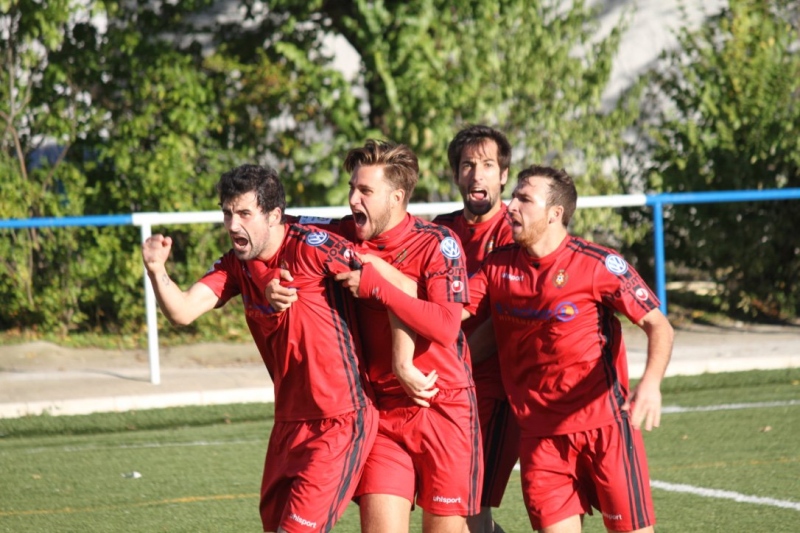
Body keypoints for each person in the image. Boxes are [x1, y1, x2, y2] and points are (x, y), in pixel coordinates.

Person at [140, 164, 379, 533]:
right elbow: (183, 311)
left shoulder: (311, 246)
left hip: (340, 420)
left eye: (244, 214)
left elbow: (379, 274)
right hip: (288, 424)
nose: (233, 225)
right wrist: (157, 270)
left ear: (274, 216)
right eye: (227, 213)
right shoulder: (237, 266)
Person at [267, 140, 482, 533]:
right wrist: (270, 282)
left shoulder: (437, 243)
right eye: (352, 187)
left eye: (365, 190)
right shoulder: (339, 236)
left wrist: (377, 286)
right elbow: (276, 227)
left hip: (441, 405)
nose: (352, 198)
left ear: (397, 197)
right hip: (381, 414)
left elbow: (445, 326)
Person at [465, 165, 674, 533]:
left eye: (524, 199)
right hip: (539, 438)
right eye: (514, 196)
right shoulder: (498, 266)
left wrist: (651, 383)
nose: (511, 205)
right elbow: (448, 310)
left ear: (554, 214)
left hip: (606, 429)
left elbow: (659, 325)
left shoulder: (597, 264)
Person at [432, 125, 519, 533]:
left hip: (492, 392)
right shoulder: (440, 229)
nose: (477, 175)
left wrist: (456, 361)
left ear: (503, 175)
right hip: (448, 388)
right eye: (468, 165)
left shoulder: (513, 233)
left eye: (487, 165)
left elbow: (501, 322)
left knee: (468, 509)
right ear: (456, 175)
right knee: (453, 508)